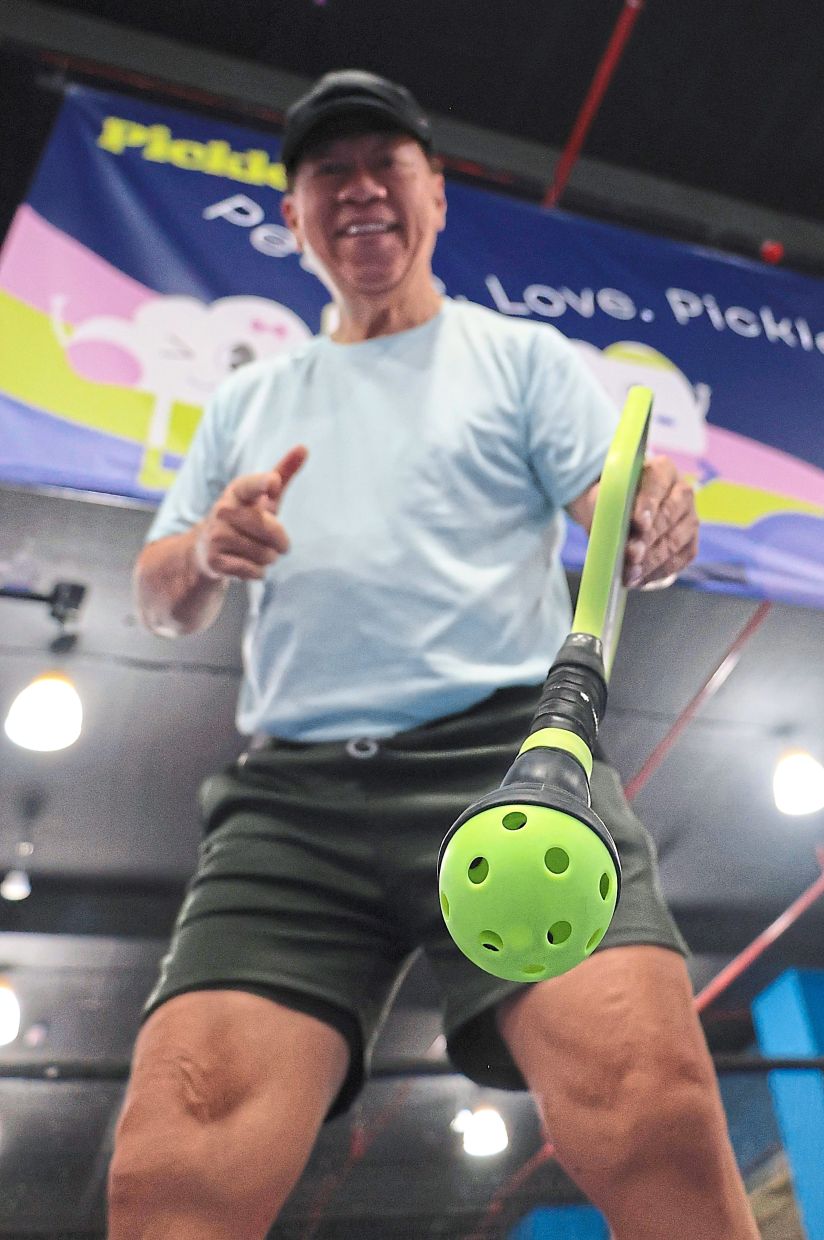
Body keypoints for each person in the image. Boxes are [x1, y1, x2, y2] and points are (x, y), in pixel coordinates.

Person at [108, 70, 759, 1240]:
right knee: (173, 1164)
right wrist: (204, 548)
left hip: (508, 761)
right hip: (292, 802)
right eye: (330, 173)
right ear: (293, 213)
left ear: (436, 196)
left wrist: (654, 516)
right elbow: (160, 601)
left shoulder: (519, 359)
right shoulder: (248, 400)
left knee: (651, 1112)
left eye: (385, 166)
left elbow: (613, 506)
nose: (360, 189)